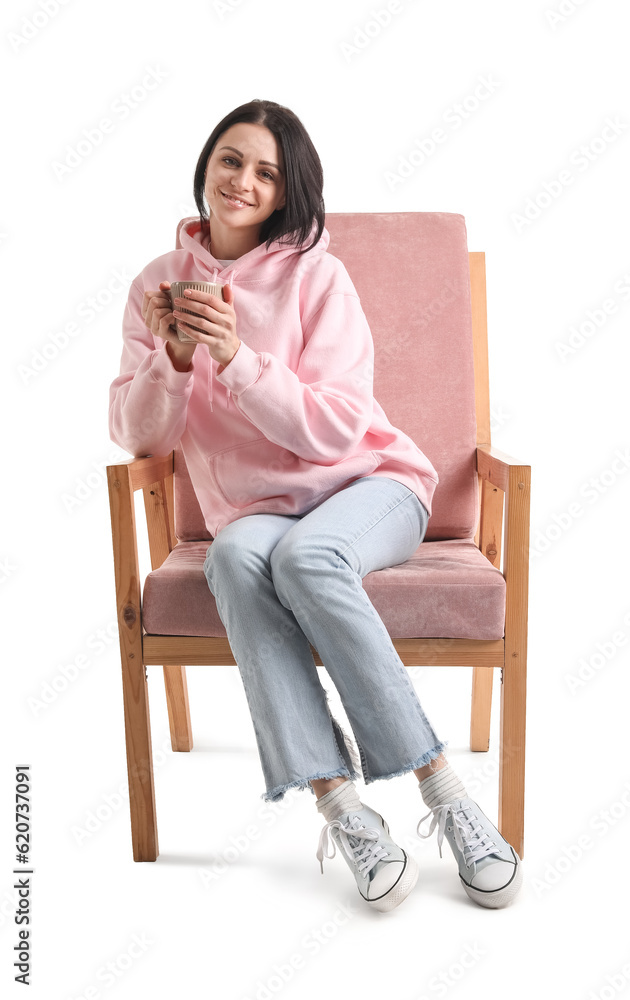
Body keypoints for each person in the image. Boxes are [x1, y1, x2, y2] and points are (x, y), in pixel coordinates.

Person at [108, 98, 521, 911]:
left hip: (371, 487)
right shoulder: (157, 283)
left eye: (265, 171)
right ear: (205, 166)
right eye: (231, 160)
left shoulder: (316, 275)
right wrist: (175, 360)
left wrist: (235, 357)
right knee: (235, 554)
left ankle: (445, 792)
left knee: (307, 554)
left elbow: (336, 431)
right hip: (251, 515)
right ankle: (343, 808)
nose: (242, 181)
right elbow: (137, 437)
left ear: (287, 189)